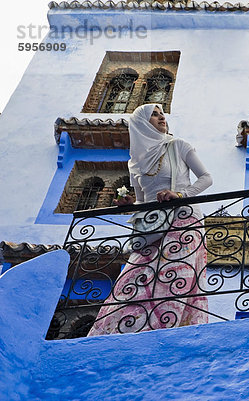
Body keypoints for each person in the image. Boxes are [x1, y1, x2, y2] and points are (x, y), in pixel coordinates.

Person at [87, 103, 213, 336]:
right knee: (137, 275)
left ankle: (169, 330)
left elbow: (206, 178)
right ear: (141, 124)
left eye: (162, 114)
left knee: (175, 274)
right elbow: (143, 202)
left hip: (183, 218)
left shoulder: (178, 146)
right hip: (151, 228)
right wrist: (129, 206)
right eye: (154, 115)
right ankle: (124, 329)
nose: (161, 118)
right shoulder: (136, 163)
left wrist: (180, 195)